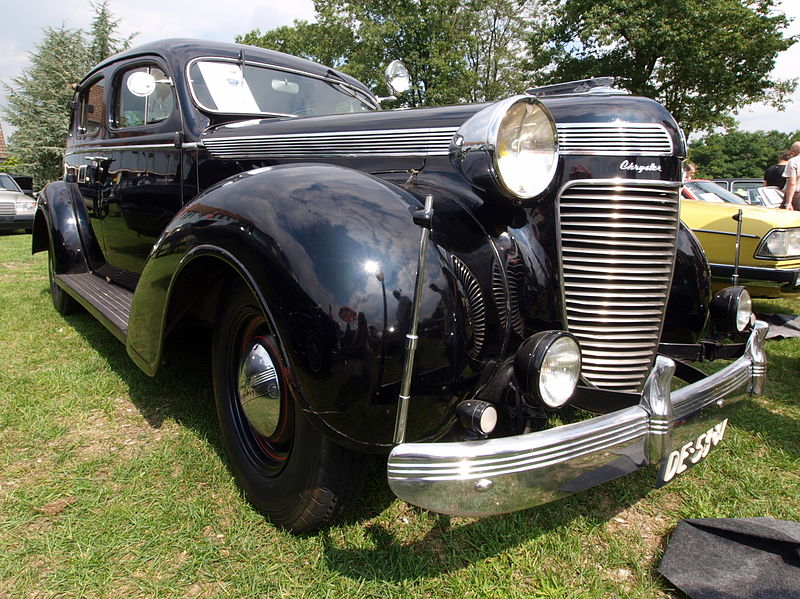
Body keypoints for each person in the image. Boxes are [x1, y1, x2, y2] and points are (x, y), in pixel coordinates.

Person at [781, 142, 800, 210]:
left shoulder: (794, 161)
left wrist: (788, 203)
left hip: (796, 196)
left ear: (793, 152)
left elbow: (792, 183)